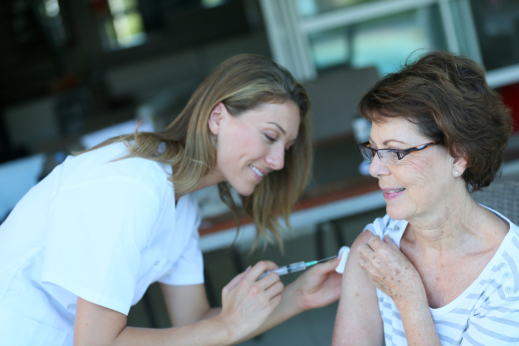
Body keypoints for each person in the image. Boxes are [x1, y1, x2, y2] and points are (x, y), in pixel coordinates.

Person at [0, 54, 342, 346]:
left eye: (286, 147)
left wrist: (298, 297)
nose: (279, 161)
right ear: (217, 117)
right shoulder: (134, 184)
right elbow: (97, 342)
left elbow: (193, 321)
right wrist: (224, 327)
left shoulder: (182, 203)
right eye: (270, 136)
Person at [332, 51, 518, 346]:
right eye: (374, 150)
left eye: (395, 152)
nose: (374, 168)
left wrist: (409, 300)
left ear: (459, 156)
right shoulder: (377, 246)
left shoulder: (510, 279)